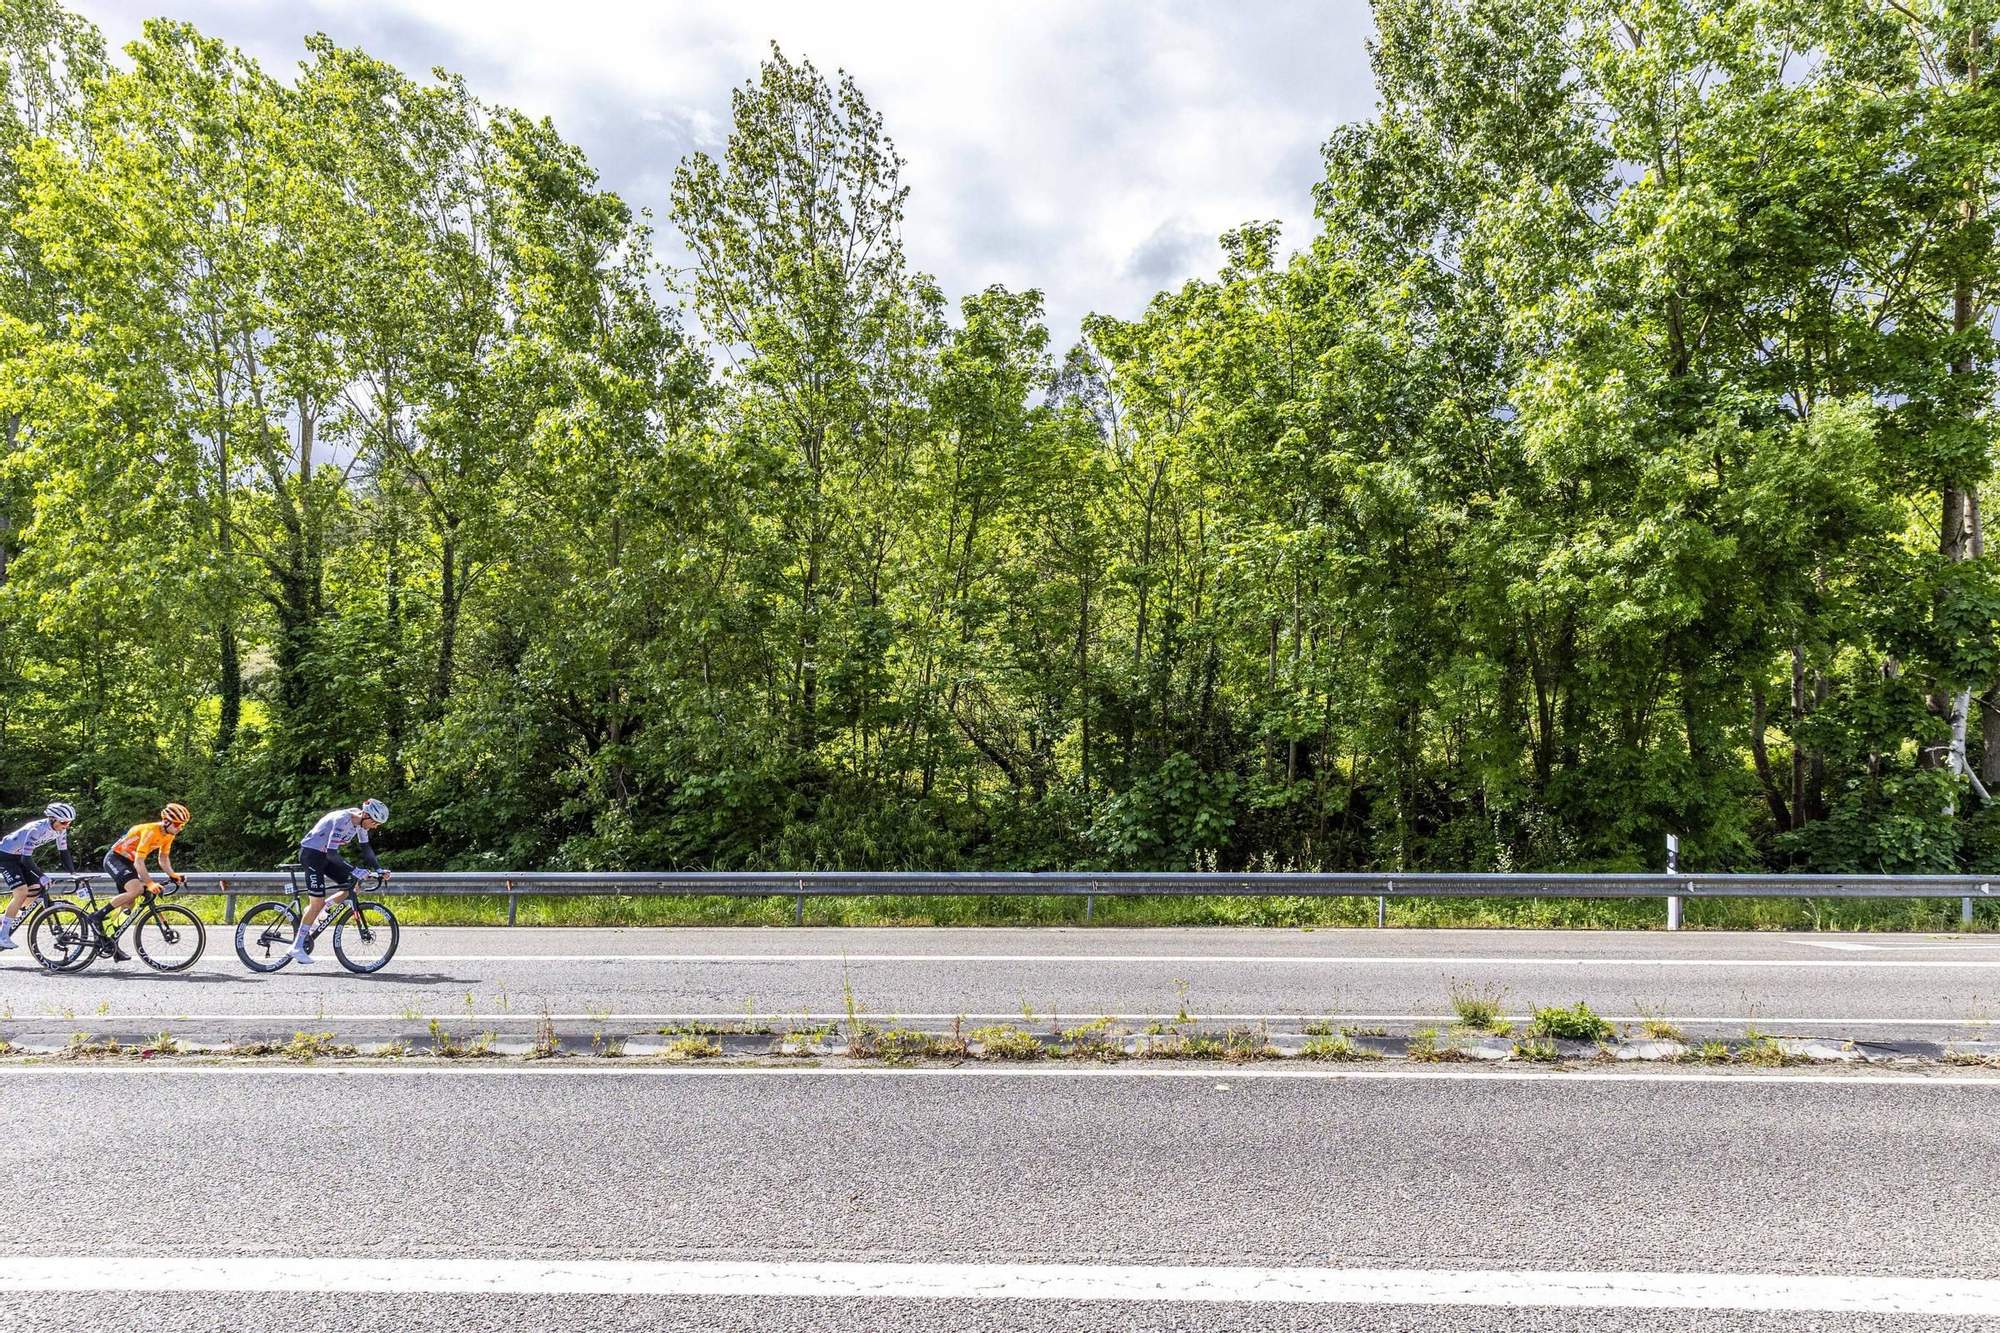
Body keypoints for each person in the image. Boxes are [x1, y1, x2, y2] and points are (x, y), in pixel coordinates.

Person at [291, 798, 390, 965]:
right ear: (365, 815)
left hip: (325, 856)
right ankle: (296, 946)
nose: (376, 826)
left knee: (353, 885)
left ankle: (324, 907)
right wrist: (356, 870)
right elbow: (332, 854)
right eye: (374, 822)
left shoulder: (360, 824)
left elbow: (366, 849)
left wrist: (379, 869)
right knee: (317, 903)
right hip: (312, 855)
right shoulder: (342, 820)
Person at [96, 803, 189, 961]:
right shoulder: (150, 831)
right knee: (137, 890)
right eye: (178, 824)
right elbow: (139, 862)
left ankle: (111, 942)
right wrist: (150, 883)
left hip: (128, 863)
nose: (180, 828)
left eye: (183, 825)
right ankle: (97, 916)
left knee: (128, 905)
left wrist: (173, 875)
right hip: (115, 859)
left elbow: (163, 858)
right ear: (166, 822)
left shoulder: (169, 835)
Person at [0, 802, 79, 950]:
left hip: (19, 856)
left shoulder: (61, 830)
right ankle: (2, 936)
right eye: (63, 822)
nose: (66, 825)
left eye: (69, 823)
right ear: (52, 819)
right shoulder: (36, 830)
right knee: (22, 892)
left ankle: (5, 917)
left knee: (36, 889)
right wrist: (42, 875)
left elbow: (64, 853)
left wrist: (73, 873)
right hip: (6, 856)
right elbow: (26, 859)